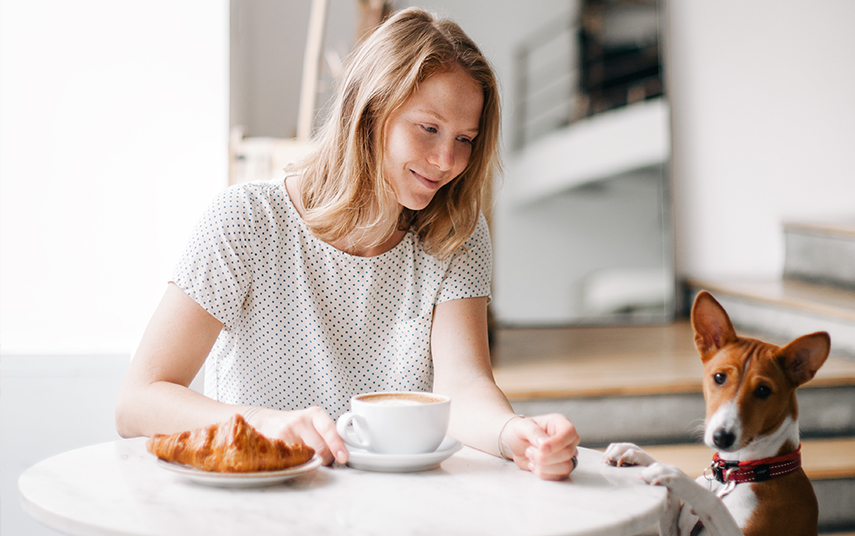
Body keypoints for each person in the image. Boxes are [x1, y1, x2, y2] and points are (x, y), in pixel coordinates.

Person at [115, 7, 579, 481]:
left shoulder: (455, 232)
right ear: (368, 111)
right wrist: (263, 423)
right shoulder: (247, 220)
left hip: (393, 511)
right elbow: (139, 400)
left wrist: (512, 433)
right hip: (259, 508)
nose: (447, 160)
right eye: (429, 128)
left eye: (465, 138)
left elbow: (463, 385)